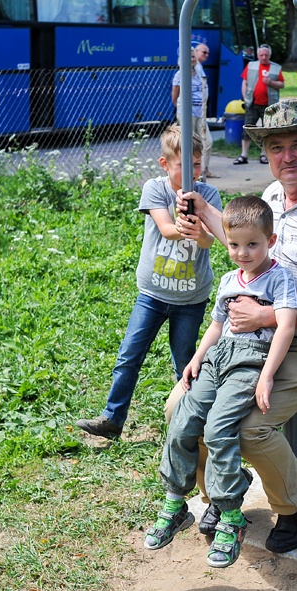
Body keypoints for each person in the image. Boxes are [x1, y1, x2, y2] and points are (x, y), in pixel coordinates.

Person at [172, 99, 297, 553]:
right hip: (243, 343)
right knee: (179, 408)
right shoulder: (271, 198)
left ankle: (296, 501)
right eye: (276, 147)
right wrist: (206, 213)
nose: (288, 156)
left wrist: (267, 315)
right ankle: (222, 498)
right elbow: (250, 252)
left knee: (248, 427)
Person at [144, 195, 297, 568]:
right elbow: (217, 325)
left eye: (252, 244)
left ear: (270, 241)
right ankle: (175, 504)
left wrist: (266, 377)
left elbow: (287, 327)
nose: (243, 253)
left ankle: (230, 516)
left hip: (249, 363)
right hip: (217, 358)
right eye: (234, 244)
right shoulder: (230, 279)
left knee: (218, 430)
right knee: (182, 420)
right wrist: (196, 359)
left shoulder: (280, 279)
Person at [75, 125, 221, 439]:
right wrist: (189, 221)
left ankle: (189, 421)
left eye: (197, 164)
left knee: (185, 360)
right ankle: (112, 419)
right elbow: (166, 228)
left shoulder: (208, 194)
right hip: (152, 294)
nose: (192, 171)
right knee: (129, 354)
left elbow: (211, 241)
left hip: (191, 298)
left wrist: (202, 230)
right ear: (165, 164)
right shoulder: (155, 189)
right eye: (183, 165)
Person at [233, 44, 284, 166]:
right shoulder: (251, 66)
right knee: (248, 129)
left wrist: (270, 82)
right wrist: (245, 98)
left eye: (266, 55)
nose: (264, 57)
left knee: (267, 131)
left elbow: (281, 84)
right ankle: (244, 155)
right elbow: (244, 82)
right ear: (257, 55)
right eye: (261, 54)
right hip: (252, 103)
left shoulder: (276, 68)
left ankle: (264, 155)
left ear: (270, 55)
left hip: (269, 105)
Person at [193, 43, 216, 180]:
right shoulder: (191, 69)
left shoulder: (200, 68)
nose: (206, 55)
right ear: (196, 52)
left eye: (208, 53)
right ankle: (195, 171)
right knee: (191, 144)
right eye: (204, 52)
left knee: (207, 142)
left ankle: (204, 169)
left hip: (201, 112)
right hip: (192, 113)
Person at [172, 49, 204, 136]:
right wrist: (180, 107)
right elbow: (175, 95)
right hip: (187, 112)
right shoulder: (179, 74)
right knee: (190, 140)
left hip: (200, 112)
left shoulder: (199, 72)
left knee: (206, 142)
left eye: (193, 57)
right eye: (188, 57)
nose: (191, 59)